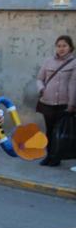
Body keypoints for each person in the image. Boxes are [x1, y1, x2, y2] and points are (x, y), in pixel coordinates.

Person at [36, 35, 76, 166]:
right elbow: (39, 78)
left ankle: (56, 157)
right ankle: (49, 155)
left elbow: (73, 84)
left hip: (64, 104)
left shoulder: (74, 63)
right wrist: (42, 89)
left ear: (70, 47)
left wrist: (71, 104)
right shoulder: (48, 61)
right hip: (47, 102)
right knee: (49, 130)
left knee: (58, 132)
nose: (61, 48)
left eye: (64, 46)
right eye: (59, 46)